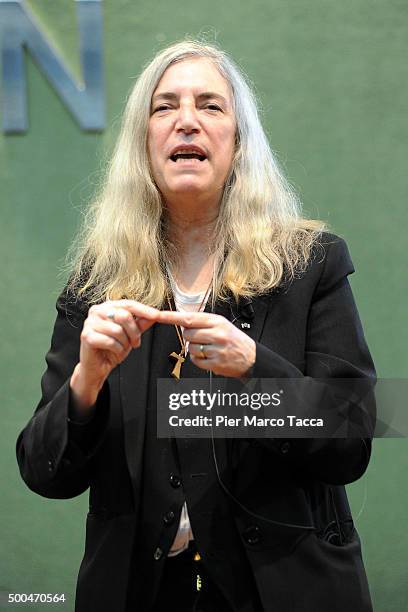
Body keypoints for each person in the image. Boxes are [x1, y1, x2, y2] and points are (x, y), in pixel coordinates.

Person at [16, 40, 376, 612]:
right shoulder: (98, 281)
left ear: (239, 141)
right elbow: (43, 472)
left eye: (210, 106)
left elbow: (353, 441)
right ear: (143, 143)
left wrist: (257, 370)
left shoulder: (311, 262)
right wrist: (87, 379)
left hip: (285, 589)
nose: (187, 121)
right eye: (165, 107)